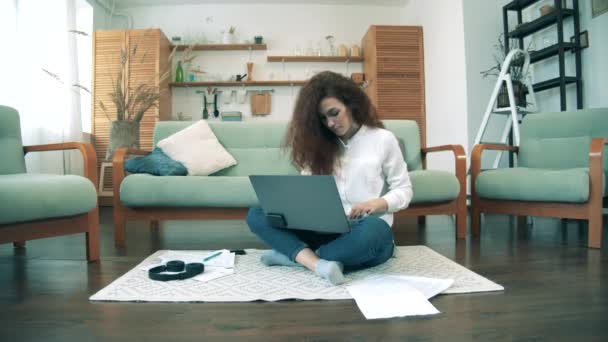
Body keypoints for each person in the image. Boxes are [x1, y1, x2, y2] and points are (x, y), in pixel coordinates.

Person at [246, 71, 413, 285]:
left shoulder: (383, 139)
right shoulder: (318, 144)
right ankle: (318, 263)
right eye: (323, 119)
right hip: (322, 230)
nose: (331, 123)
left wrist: (377, 203)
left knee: (377, 231)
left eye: (334, 113)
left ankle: (296, 256)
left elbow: (404, 189)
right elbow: (307, 189)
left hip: (361, 229)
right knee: (257, 212)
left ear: (351, 103)